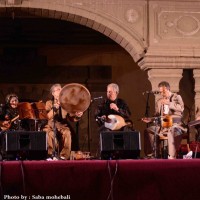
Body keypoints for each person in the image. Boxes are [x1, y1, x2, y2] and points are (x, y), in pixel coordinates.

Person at [143, 81, 187, 159]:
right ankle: (152, 154)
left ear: (167, 89)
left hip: (175, 125)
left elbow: (181, 108)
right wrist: (150, 119)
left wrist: (169, 103)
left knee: (172, 131)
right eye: (160, 92)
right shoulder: (159, 101)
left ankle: (171, 157)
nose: (161, 94)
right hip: (162, 126)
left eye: (162, 92)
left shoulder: (176, 97)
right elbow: (157, 115)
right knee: (148, 130)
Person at [43, 83, 83, 160]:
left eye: (61, 89)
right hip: (51, 124)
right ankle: (50, 155)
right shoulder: (49, 103)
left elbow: (71, 117)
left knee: (67, 132)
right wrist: (54, 108)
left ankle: (64, 156)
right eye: (58, 89)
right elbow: (47, 117)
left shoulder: (66, 103)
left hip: (62, 125)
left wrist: (77, 116)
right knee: (49, 133)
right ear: (53, 93)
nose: (61, 90)